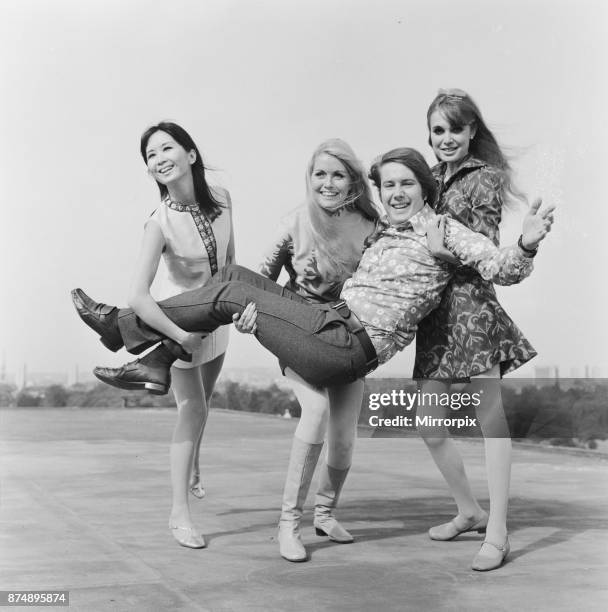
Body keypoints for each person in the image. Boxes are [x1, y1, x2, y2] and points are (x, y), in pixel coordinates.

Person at [72, 148, 553, 546]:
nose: (398, 193)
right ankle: (156, 356)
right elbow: (316, 232)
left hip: (349, 346)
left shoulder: (442, 231)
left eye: (408, 184)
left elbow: (500, 265)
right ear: (379, 192)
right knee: (235, 279)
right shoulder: (381, 226)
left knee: (232, 293)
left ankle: (121, 326)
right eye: (389, 185)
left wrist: (526, 244)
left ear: (425, 188)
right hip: (326, 323)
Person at [72, 122, 235, 549]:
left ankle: (194, 466)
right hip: (175, 330)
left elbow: (230, 260)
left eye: (167, 148)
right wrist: (182, 335)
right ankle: (179, 514)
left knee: (207, 401)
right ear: (149, 170)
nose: (160, 158)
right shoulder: (158, 223)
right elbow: (140, 296)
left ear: (191, 155)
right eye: (151, 155)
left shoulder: (222, 201)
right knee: (194, 410)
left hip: (216, 324)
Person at [414, 89, 552, 571]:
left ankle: (498, 530)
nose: (446, 138)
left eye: (455, 128)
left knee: (490, 420)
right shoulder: (425, 179)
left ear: (473, 130)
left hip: (473, 310)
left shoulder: (487, 179)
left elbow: (486, 255)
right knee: (429, 424)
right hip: (433, 315)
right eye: (437, 130)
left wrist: (440, 252)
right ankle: (469, 511)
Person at [233, 139, 379, 561]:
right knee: (314, 412)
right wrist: (252, 318)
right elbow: (260, 279)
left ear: (352, 180)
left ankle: (326, 512)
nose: (328, 183)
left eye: (338, 174)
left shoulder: (371, 227)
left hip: (346, 335)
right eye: (320, 174)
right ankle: (288, 525)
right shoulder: (295, 222)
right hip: (298, 330)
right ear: (309, 178)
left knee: (345, 439)